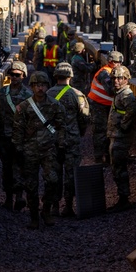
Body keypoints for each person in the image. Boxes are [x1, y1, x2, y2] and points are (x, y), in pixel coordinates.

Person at [13, 71, 66, 229]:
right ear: (32, 87)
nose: (40, 89)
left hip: (49, 149)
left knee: (52, 180)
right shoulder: (24, 107)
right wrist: (18, 150)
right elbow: (18, 130)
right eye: (37, 85)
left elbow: (61, 127)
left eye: (42, 85)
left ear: (47, 86)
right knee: (31, 185)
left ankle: (47, 209)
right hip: (29, 151)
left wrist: (61, 146)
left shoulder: (55, 105)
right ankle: (34, 216)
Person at [0, 61, 32, 210]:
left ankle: (19, 197)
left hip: (21, 139)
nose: (14, 77)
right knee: (7, 168)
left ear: (23, 76)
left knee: (20, 167)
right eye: (11, 74)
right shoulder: (3, 93)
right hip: (5, 138)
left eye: (17, 75)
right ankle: (8, 197)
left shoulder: (28, 96)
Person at [50, 62, 90, 217]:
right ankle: (68, 206)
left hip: (52, 141)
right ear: (70, 77)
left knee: (54, 173)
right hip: (71, 140)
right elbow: (84, 118)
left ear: (56, 76)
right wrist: (79, 132)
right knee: (71, 173)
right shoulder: (77, 95)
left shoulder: (48, 94)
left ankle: (54, 206)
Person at [107, 64, 136, 211]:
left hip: (120, 137)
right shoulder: (119, 93)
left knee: (119, 169)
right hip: (116, 135)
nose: (116, 81)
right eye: (114, 78)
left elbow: (131, 112)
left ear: (126, 79)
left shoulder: (126, 95)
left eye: (120, 78)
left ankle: (124, 199)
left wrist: (122, 128)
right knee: (116, 167)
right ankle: (122, 198)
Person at [87, 50, 123, 164]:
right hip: (98, 105)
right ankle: (99, 159)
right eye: (117, 62)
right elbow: (110, 91)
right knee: (100, 131)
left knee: (109, 131)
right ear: (111, 62)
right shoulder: (105, 73)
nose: (119, 65)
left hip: (106, 105)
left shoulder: (112, 72)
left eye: (120, 63)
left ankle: (107, 157)